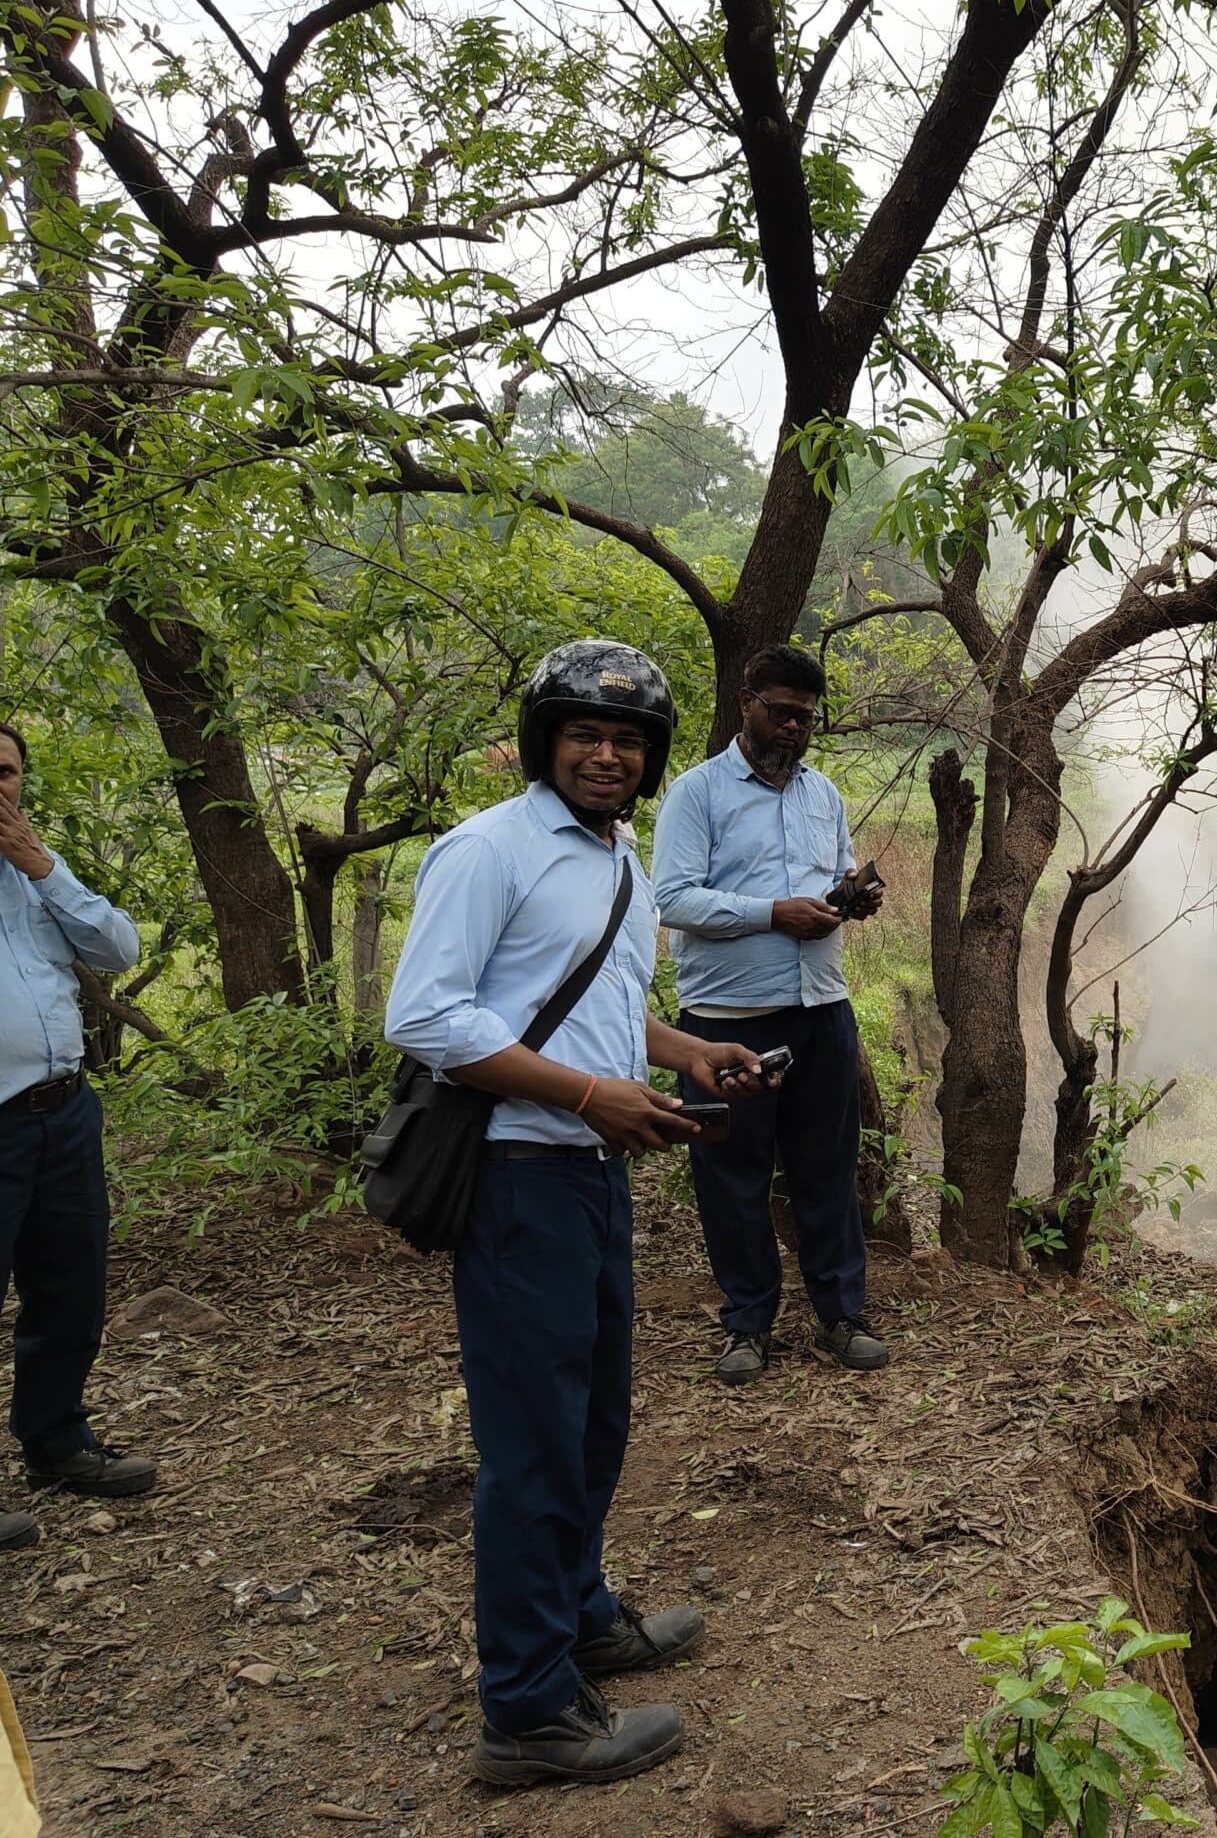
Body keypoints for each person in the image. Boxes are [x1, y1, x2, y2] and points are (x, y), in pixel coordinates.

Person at [383, 642, 769, 1789]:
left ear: (649, 762)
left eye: (629, 741)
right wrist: (591, 1097)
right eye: (586, 735)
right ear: (545, 738)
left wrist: (689, 1049)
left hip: (592, 1174)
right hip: (518, 1180)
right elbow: (429, 1017)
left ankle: (581, 1612)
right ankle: (527, 1711)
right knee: (534, 1443)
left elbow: (598, 999)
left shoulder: (618, 854)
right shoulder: (490, 849)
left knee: (594, 1420)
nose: (607, 756)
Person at [653, 644, 890, 1385]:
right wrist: (770, 913)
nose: (793, 727)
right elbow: (675, 898)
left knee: (827, 1168)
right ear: (747, 702)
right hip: (726, 1021)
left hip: (821, 1009)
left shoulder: (822, 794)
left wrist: (851, 897)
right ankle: (748, 1324)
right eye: (781, 711)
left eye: (806, 718)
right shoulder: (697, 794)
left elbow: (835, 872)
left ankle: (840, 1316)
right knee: (732, 1175)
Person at [0, 719, 152, 1550]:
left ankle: (56, 1442)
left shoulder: (34, 876)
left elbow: (117, 947)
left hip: (61, 1112)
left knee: (70, 1291)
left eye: (7, 771)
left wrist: (43, 867)